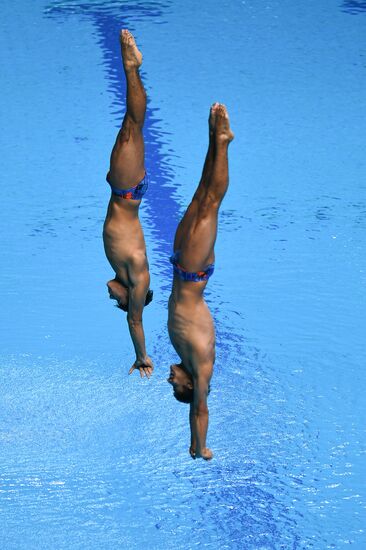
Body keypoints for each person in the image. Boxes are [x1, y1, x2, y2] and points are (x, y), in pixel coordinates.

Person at [167, 103, 234, 460]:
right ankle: (222, 143)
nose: (170, 381)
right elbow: (200, 410)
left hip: (182, 265)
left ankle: (213, 139)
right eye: (175, 387)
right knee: (210, 202)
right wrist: (198, 445)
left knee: (198, 194)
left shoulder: (184, 355)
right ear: (190, 385)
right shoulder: (201, 370)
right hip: (193, 271)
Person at [103, 30, 153, 379]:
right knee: (132, 126)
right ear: (130, 298)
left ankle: (131, 67)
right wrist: (142, 356)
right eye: (115, 302)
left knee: (130, 127)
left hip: (122, 189)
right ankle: (131, 67)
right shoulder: (136, 278)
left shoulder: (126, 272)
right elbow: (135, 319)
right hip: (126, 189)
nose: (110, 297)